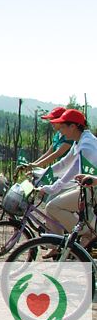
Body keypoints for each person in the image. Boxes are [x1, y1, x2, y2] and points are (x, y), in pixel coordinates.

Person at [37, 109, 97, 257]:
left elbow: (73, 171)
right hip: (86, 187)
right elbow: (64, 163)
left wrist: (52, 188)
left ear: (73, 126)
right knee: (52, 207)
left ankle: (86, 233)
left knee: (53, 206)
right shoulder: (79, 141)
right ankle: (59, 246)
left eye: (63, 127)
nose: (60, 131)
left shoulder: (86, 145)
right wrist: (42, 174)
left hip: (92, 189)